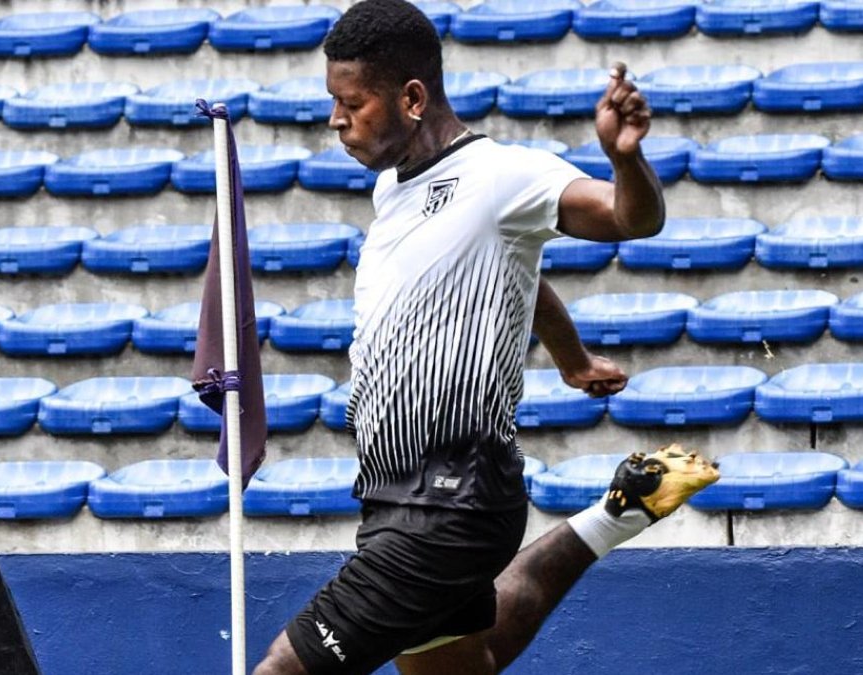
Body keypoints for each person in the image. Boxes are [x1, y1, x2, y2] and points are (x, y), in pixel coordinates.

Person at [252, 1, 721, 674]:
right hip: (393, 496)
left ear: (412, 98)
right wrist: (572, 359)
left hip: (451, 498)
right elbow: (518, 274)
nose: (336, 119)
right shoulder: (393, 191)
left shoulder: (501, 175)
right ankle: (617, 514)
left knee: (281, 670)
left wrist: (626, 160)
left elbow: (628, 219)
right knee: (466, 663)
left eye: (351, 104)